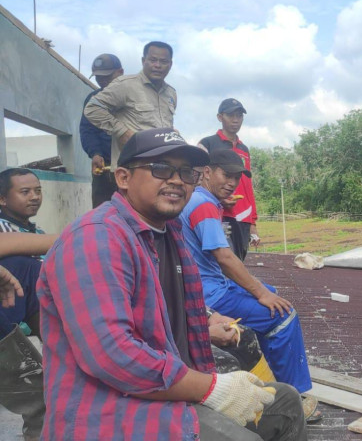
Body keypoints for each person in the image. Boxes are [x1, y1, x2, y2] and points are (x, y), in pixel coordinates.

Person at [37, 128, 306, 440]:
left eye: (186, 172)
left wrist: (205, 319)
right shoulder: (96, 239)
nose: (177, 180)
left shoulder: (169, 231)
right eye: (160, 169)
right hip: (114, 411)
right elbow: (112, 355)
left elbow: (156, 301)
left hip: (163, 392)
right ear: (123, 178)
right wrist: (212, 388)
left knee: (286, 402)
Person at [180, 150, 320, 423]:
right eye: (226, 174)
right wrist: (260, 292)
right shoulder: (204, 206)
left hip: (202, 287)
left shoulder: (198, 199)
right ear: (207, 172)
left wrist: (264, 292)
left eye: (236, 177)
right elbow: (225, 258)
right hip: (210, 294)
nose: (232, 182)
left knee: (273, 296)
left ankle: (266, 375)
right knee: (283, 315)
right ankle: (293, 397)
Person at [0, 168, 53, 441]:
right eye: (24, 192)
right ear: (3, 199)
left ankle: (60, 360)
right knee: (27, 267)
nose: (34, 197)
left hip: (22, 313)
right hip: (10, 316)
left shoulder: (34, 230)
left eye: (37, 190)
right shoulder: (4, 227)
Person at [83, 41, 178, 169]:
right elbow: (92, 109)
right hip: (133, 168)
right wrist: (122, 132)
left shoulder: (171, 93)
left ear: (170, 64)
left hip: (162, 167)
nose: (158, 65)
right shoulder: (125, 85)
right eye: (153, 60)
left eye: (163, 61)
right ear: (143, 61)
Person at [198, 98, 259, 261]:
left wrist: (253, 221)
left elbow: (247, 185)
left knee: (239, 260)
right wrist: (218, 199)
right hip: (218, 212)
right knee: (220, 260)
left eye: (239, 115)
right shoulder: (208, 143)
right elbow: (196, 178)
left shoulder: (244, 148)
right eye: (231, 115)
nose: (235, 120)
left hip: (243, 216)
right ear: (220, 117)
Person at [80, 53, 124, 207]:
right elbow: (87, 130)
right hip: (105, 170)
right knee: (102, 211)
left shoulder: (134, 97)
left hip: (131, 167)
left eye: (107, 76)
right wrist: (95, 153)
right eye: (98, 77)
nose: (102, 81)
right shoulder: (93, 100)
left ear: (120, 72)